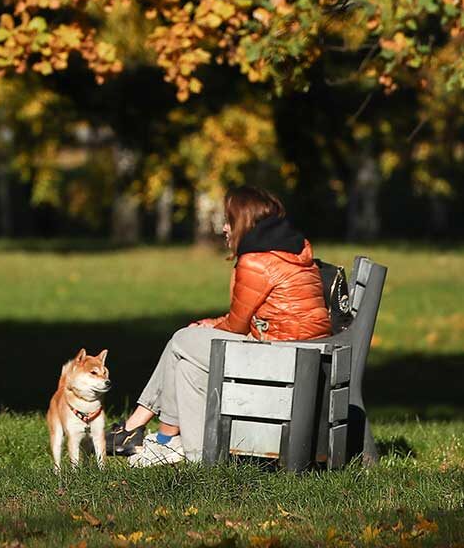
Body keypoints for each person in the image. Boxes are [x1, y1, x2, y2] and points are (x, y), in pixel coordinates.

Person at [113, 185, 332, 466]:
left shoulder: (256, 261)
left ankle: (151, 433)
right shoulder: (287, 249)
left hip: (279, 357)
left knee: (182, 339)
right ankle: (190, 451)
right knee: (188, 364)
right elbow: (248, 316)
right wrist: (211, 324)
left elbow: (236, 326)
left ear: (243, 221)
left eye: (229, 221)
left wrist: (209, 327)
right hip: (294, 351)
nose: (224, 228)